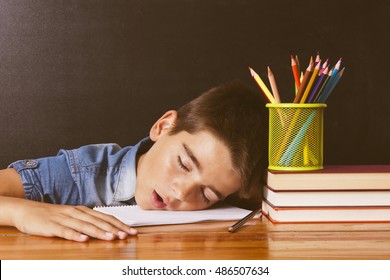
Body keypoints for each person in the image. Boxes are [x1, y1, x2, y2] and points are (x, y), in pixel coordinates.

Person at [0, 80, 267, 242]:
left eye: (207, 194)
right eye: (184, 164)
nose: (181, 192)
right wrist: (22, 213)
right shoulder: (78, 173)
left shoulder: (223, 207)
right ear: (163, 126)